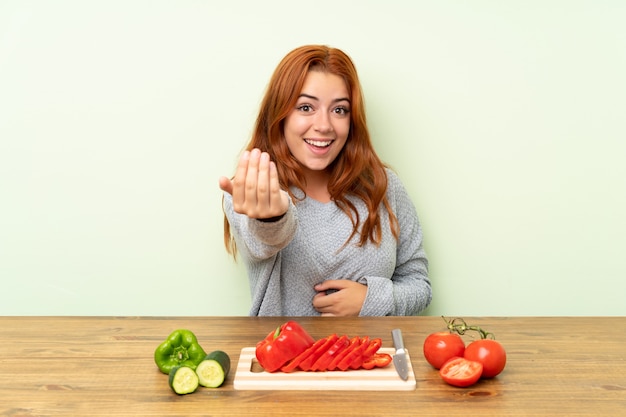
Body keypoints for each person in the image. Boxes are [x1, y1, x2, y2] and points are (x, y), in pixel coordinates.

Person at [219, 45, 431, 317]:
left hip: (374, 357)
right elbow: (263, 241)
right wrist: (272, 218)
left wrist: (371, 300)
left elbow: (419, 286)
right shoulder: (250, 191)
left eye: (339, 110)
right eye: (306, 107)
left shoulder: (384, 186)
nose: (325, 125)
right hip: (287, 358)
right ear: (280, 115)